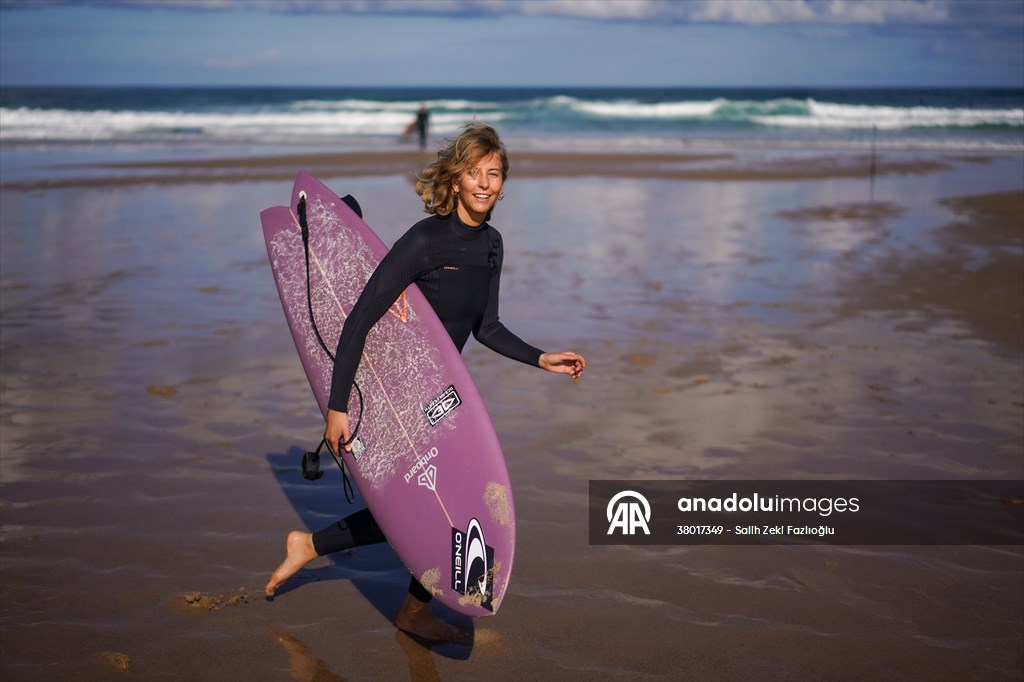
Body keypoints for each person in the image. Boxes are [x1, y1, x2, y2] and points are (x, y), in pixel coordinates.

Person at [265, 122, 586, 642]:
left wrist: (541, 357)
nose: (485, 183)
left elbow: (487, 328)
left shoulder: (492, 245)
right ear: (455, 178)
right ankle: (401, 605)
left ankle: (314, 549)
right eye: (474, 173)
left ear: (503, 183)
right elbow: (359, 319)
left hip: (437, 398)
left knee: (430, 502)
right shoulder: (424, 239)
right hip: (390, 392)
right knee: (427, 504)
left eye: (495, 174)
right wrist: (337, 407)